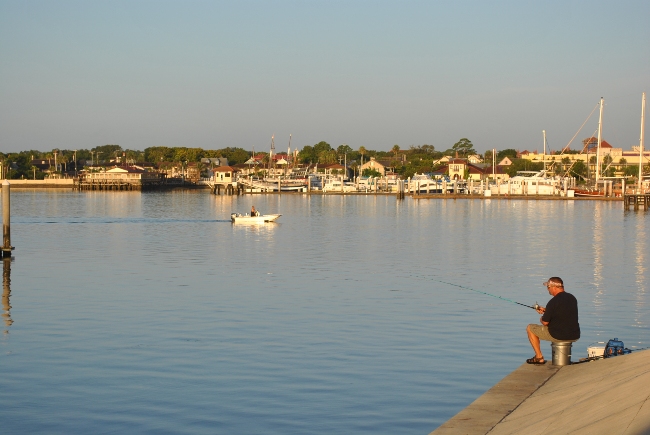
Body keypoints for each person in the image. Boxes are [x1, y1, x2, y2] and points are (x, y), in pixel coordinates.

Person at [526, 277, 580, 364]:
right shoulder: (572, 298)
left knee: (530, 328)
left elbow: (545, 322)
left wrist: (542, 317)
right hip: (575, 334)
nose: (548, 289)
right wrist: (547, 310)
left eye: (548, 287)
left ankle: (539, 357)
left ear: (554, 287)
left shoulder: (553, 301)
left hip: (558, 335)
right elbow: (563, 312)